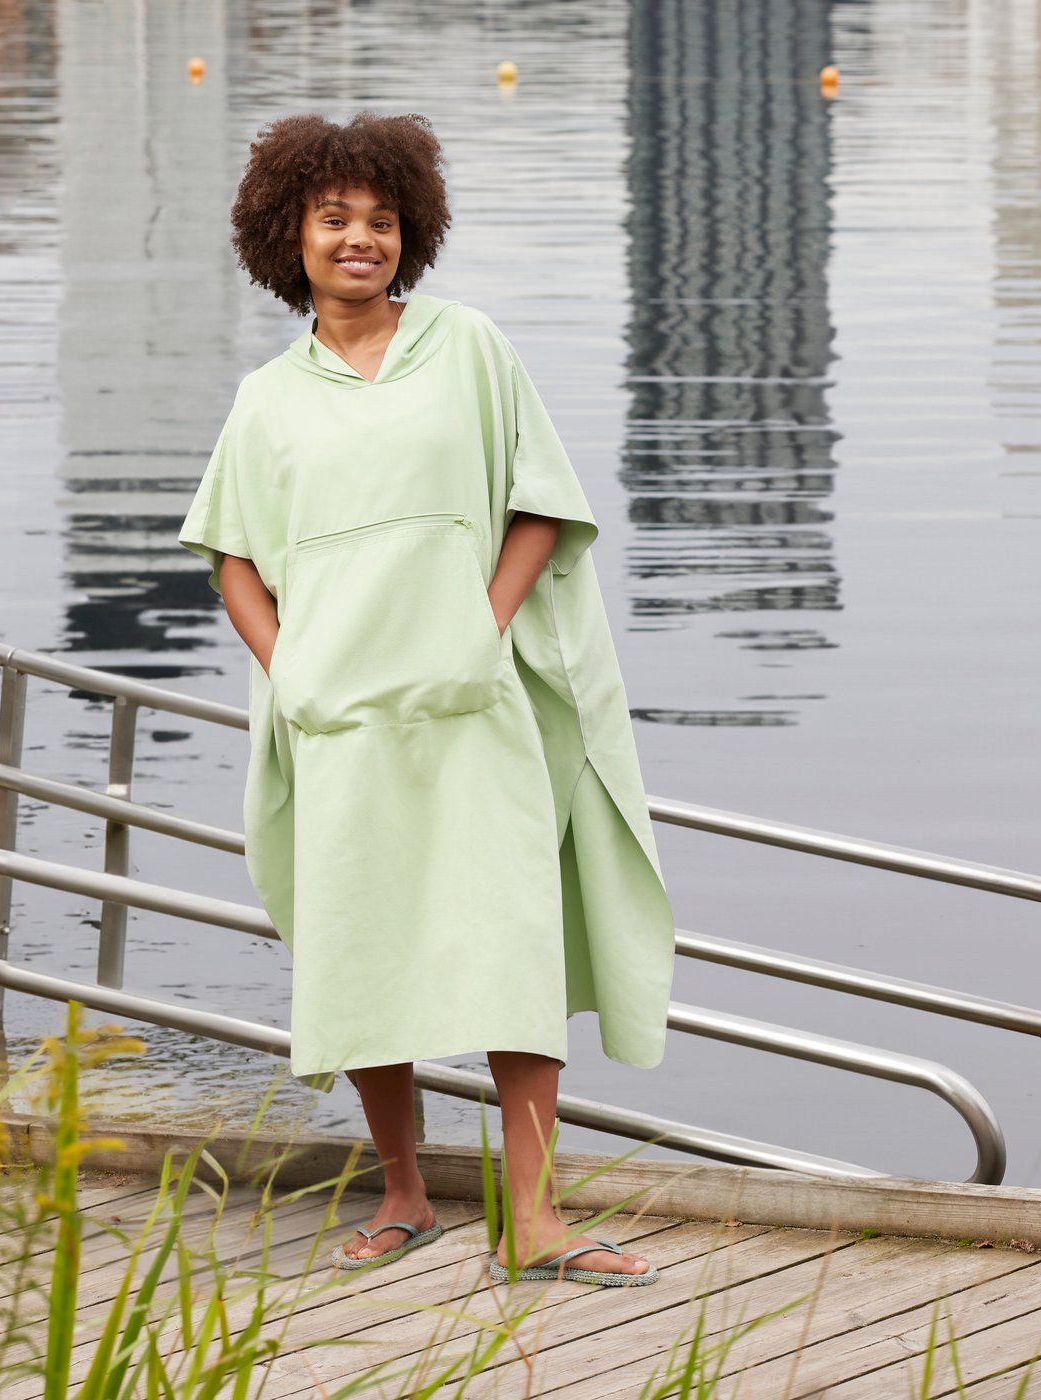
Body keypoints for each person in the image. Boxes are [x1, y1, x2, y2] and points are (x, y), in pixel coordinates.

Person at [177, 111, 675, 1286]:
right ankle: (403, 1192)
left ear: (412, 232)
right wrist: (288, 667)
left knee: (512, 945)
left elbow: (539, 504)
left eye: (382, 221)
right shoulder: (267, 397)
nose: (361, 239)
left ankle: (538, 1215)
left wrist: (479, 630)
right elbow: (231, 554)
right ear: (285, 237)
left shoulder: (469, 346)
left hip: (470, 705)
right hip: (342, 718)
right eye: (335, 219)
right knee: (363, 947)